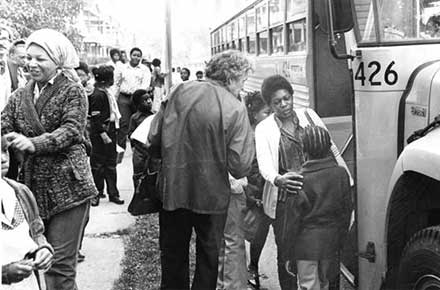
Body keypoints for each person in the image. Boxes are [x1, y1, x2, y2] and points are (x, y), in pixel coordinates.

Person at [148, 50, 254, 290]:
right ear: (232, 77)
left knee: (173, 255)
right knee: (208, 259)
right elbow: (240, 166)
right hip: (212, 195)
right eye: (243, 80)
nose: (243, 86)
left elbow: (153, 137)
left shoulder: (179, 90)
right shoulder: (235, 108)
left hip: (173, 190)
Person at [1, 28, 97, 290]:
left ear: (58, 60)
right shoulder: (20, 95)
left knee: (60, 269)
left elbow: (71, 131)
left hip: (70, 187)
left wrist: (32, 143)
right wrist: (8, 139)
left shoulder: (73, 91)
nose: (32, 64)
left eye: (40, 59)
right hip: (33, 189)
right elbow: (3, 125)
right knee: (37, 262)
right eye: (29, 58)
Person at [255, 75, 352, 290]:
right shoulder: (264, 128)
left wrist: (345, 177)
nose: (283, 105)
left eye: (286, 99)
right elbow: (264, 164)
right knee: (286, 252)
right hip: (285, 200)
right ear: (270, 105)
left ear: (292, 96)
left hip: (317, 191)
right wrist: (278, 179)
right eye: (276, 102)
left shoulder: (309, 115)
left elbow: (331, 146)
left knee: (325, 257)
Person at [288, 126, 351, 290]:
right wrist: (341, 238)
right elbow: (346, 212)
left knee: (309, 285)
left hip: (305, 246)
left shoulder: (299, 179)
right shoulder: (341, 174)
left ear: (304, 149)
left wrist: (288, 252)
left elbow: (293, 222)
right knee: (326, 283)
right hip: (331, 241)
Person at [1, 135, 54, 288]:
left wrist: (42, 250)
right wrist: (3, 273)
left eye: (5, 150)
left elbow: (36, 233)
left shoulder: (20, 192)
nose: (3, 158)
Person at [244, 92, 271, 289]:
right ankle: (252, 267)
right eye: (265, 113)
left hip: (273, 189)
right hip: (261, 193)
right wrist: (256, 196)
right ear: (254, 115)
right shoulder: (253, 135)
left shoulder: (267, 130)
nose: (269, 117)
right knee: (259, 232)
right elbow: (252, 170)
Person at [88, 65, 123, 206]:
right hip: (101, 133)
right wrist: (103, 134)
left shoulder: (106, 92)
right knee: (98, 165)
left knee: (111, 164)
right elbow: (95, 117)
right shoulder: (97, 94)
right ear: (106, 79)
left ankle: (113, 193)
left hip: (111, 130)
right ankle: (96, 193)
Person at [114, 47, 151, 150]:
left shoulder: (144, 69)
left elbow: (145, 84)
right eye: (134, 55)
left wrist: (139, 97)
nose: (136, 57)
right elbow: (116, 84)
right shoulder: (122, 68)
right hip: (124, 97)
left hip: (138, 98)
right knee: (124, 123)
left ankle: (137, 148)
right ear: (130, 56)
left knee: (139, 121)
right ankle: (121, 149)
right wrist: (114, 99)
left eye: (138, 56)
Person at [216, 174, 249, 290]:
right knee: (234, 241)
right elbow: (239, 163)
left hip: (214, 186)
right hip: (232, 186)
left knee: (221, 241)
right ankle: (233, 287)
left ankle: (221, 285)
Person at [128, 89, 153, 190]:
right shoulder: (134, 118)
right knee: (138, 175)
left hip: (151, 152)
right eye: (145, 100)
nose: (149, 101)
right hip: (140, 153)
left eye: (149, 98)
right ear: (138, 104)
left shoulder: (154, 116)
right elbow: (131, 134)